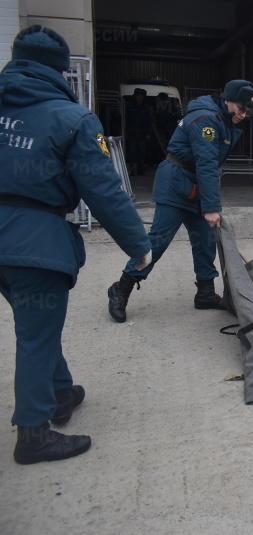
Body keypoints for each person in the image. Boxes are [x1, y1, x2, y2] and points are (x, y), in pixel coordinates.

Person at [0, 25, 151, 464]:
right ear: (61, 72)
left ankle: (60, 392)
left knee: (36, 325)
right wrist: (138, 245)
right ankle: (33, 433)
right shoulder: (72, 119)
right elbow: (103, 190)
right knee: (35, 332)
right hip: (33, 243)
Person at [107, 79, 253, 323]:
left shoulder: (223, 118)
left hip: (196, 185)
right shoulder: (207, 119)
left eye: (247, 111)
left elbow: (208, 167)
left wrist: (208, 204)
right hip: (175, 184)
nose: (243, 115)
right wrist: (212, 207)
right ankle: (122, 287)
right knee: (157, 241)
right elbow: (207, 163)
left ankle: (205, 294)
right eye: (240, 109)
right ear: (227, 100)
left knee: (205, 241)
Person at [126, 87, 152, 176]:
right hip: (132, 133)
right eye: (138, 96)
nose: (139, 98)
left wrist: (148, 133)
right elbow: (126, 120)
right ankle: (133, 171)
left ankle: (140, 170)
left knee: (141, 153)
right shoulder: (129, 107)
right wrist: (126, 131)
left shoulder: (146, 108)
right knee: (133, 153)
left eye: (141, 96)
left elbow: (149, 122)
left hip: (142, 133)